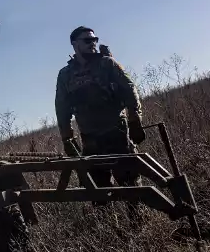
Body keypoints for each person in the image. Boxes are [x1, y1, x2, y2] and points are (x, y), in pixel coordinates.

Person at [54, 26, 146, 221]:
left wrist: (135, 119)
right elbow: (62, 107)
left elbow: (130, 90)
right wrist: (67, 138)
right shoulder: (65, 75)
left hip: (117, 133)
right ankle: (108, 231)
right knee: (97, 188)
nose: (93, 43)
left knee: (130, 182)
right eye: (87, 40)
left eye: (94, 40)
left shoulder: (107, 64)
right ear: (75, 44)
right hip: (90, 139)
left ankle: (138, 225)